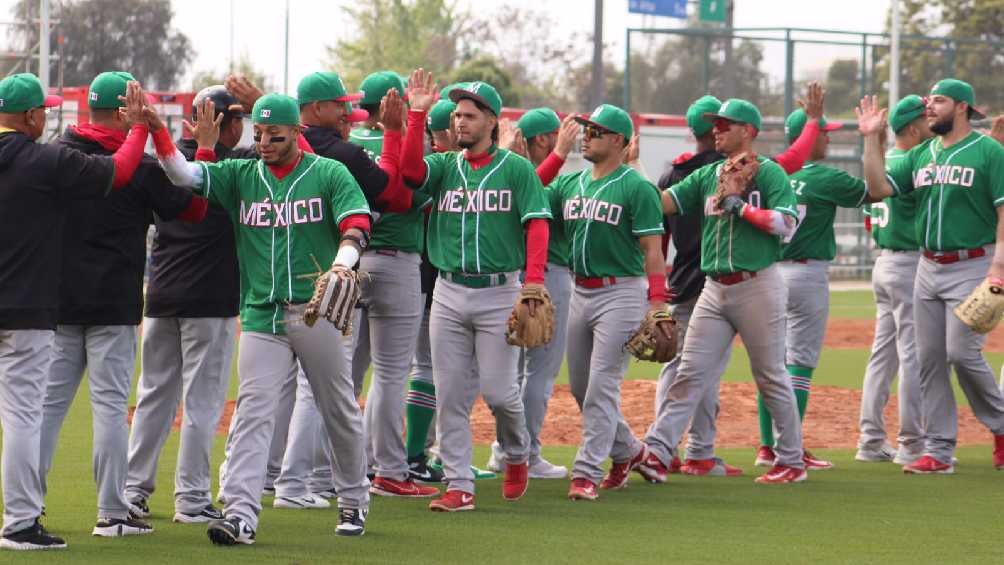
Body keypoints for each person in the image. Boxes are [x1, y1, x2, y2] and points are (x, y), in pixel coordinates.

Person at [153, 92, 374, 542]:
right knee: (252, 412)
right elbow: (182, 171)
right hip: (260, 314)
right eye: (259, 134)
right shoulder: (241, 174)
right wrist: (156, 128)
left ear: (297, 132)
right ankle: (240, 515)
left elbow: (357, 221)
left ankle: (353, 499)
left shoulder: (328, 173)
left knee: (337, 408)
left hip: (316, 312)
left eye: (275, 134)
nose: (266, 141)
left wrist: (344, 261)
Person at [0, 72, 149, 551]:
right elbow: (118, 172)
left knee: (39, 412)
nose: (47, 115)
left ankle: (30, 511)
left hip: (49, 307)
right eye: (41, 109)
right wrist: (144, 128)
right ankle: (25, 522)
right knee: (32, 415)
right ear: (28, 116)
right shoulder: (43, 160)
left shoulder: (52, 152)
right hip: (30, 308)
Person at [400, 71, 552, 511]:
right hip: (448, 290)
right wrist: (416, 113)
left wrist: (535, 281)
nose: (459, 122)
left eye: (468, 115)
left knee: (502, 393)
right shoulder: (445, 166)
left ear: (491, 121)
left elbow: (537, 223)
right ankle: (459, 484)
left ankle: (517, 451)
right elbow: (409, 173)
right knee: (449, 394)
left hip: (499, 292)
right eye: (456, 116)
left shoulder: (517, 169)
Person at [637, 98, 807, 485]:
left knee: (770, 376)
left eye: (726, 124)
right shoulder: (706, 174)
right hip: (713, 290)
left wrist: (739, 206)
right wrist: (631, 169)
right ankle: (659, 453)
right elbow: (661, 204)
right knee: (689, 373)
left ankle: (792, 460)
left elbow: (787, 224)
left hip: (757, 286)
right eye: (716, 124)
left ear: (749, 131)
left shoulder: (770, 174)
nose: (717, 129)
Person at [857, 79, 1004, 474]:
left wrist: (999, 266)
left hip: (974, 262)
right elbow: (878, 187)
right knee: (929, 359)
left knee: (961, 352)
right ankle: (939, 450)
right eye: (928, 101)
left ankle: (1001, 424)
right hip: (927, 266)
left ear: (961, 107)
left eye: (938, 101)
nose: (929, 107)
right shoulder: (923, 154)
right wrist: (872, 140)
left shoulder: (989, 151)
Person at [126, 84, 247, 524]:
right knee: (201, 403)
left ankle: (133, 491)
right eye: (236, 120)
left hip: (160, 292)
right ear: (223, 124)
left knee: (154, 397)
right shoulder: (232, 167)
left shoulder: (164, 159)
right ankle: (192, 499)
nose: (241, 128)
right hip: (209, 298)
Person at [542, 104, 667, 500]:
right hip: (580, 291)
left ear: (618, 140)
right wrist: (554, 155)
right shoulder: (569, 184)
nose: (587, 135)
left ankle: (586, 472)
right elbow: (526, 201)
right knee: (581, 387)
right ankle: (631, 451)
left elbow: (653, 248)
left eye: (596, 130)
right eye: (586, 130)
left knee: (602, 387)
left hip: (622, 292)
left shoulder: (636, 187)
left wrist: (658, 301)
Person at [755, 105, 876, 471]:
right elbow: (878, 190)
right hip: (807, 276)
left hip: (769, 273)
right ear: (807, 136)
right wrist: (875, 139)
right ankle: (789, 447)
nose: (829, 136)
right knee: (800, 365)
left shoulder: (768, 174)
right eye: (824, 132)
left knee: (772, 365)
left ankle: (766, 447)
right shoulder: (825, 177)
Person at [488, 108, 578, 480]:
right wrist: (559, 154)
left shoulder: (508, 174)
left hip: (514, 278)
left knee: (516, 374)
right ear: (542, 139)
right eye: (555, 134)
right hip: (545, 278)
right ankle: (523, 453)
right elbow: (534, 196)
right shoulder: (536, 179)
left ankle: (504, 450)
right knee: (538, 374)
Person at [855, 95, 929, 464]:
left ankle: (870, 441)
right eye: (927, 120)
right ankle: (912, 444)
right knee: (914, 355)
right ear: (914, 129)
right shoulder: (916, 161)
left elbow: (869, 219)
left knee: (882, 356)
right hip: (910, 263)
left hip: (884, 261)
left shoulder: (880, 162)